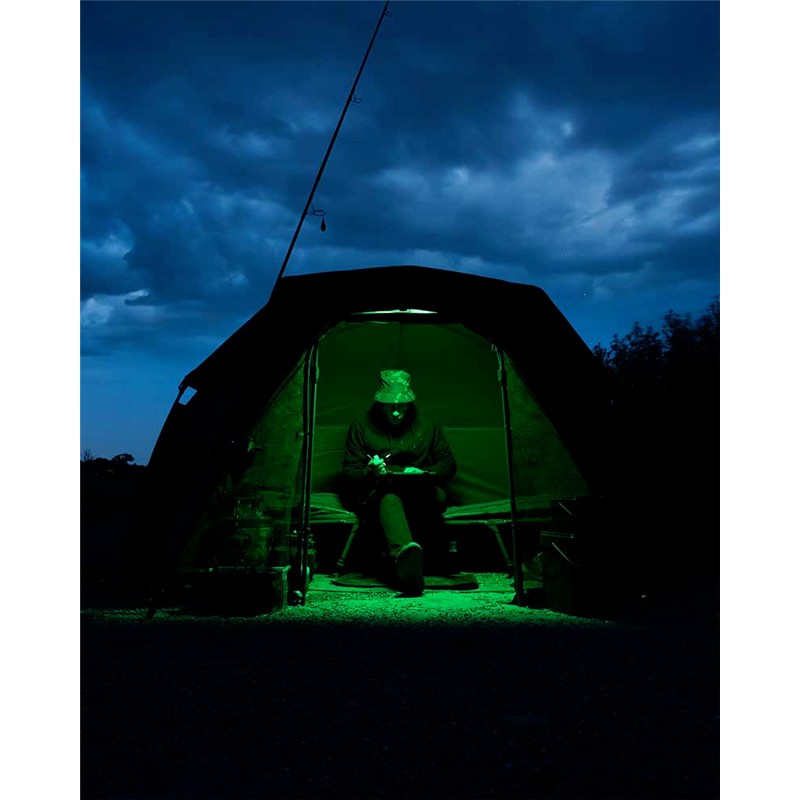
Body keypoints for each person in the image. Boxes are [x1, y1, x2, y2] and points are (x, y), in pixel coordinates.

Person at [342, 369, 457, 595]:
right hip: (381, 493)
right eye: (389, 406)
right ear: (379, 404)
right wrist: (370, 472)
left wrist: (424, 472)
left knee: (433, 495)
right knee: (390, 498)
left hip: (421, 492)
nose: (395, 412)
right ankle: (406, 562)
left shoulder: (428, 425)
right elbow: (350, 472)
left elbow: (448, 463)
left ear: (409, 403)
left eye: (401, 406)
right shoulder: (361, 425)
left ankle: (417, 562)